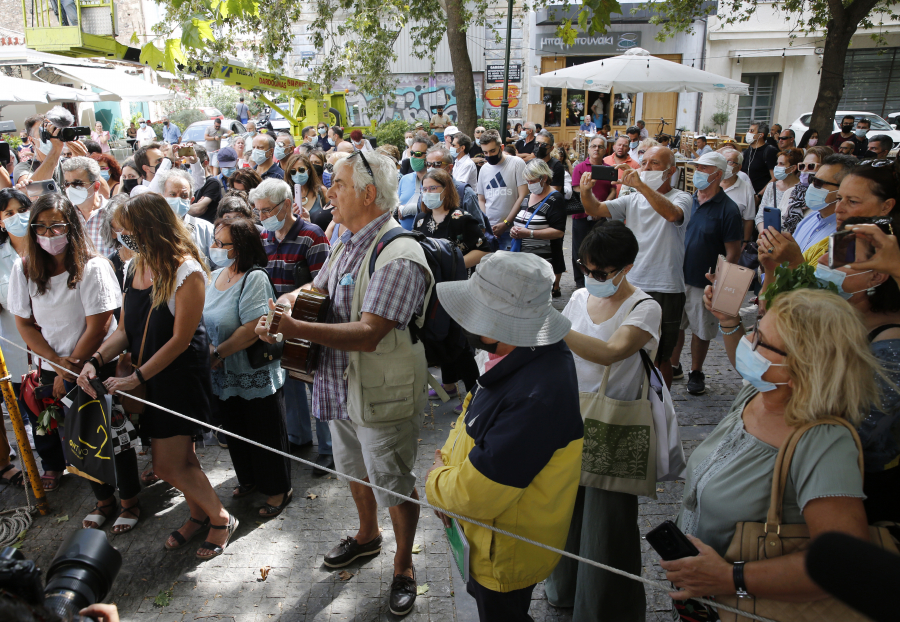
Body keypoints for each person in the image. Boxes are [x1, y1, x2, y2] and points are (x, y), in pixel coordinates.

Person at [255, 150, 432, 617]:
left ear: (368, 194)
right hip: (341, 385)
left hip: (382, 390)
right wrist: (283, 307)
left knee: (392, 481)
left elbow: (370, 334)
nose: (326, 191)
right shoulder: (346, 239)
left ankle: (403, 565)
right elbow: (317, 289)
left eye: (338, 184)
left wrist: (296, 331)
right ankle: (368, 536)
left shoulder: (400, 255)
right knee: (353, 470)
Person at [664, 288, 878, 619]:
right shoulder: (758, 393)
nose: (749, 342)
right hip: (702, 600)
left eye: (760, 341)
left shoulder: (823, 443)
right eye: (755, 329)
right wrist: (730, 323)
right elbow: (746, 362)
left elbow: (843, 565)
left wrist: (727, 577)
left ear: (804, 367)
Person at [77, 192, 237, 559]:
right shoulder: (133, 266)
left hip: (178, 377)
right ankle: (198, 515)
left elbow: (182, 339)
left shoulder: (187, 270)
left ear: (151, 227)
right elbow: (123, 329)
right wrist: (95, 358)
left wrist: (137, 377)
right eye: (119, 231)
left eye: (128, 231)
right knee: (182, 460)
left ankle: (221, 517)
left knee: (166, 465)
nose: (122, 238)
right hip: (147, 377)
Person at [425, 251, 583, 622]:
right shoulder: (524, 354)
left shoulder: (536, 396)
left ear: (501, 323)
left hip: (505, 549)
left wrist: (436, 481)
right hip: (492, 536)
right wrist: (449, 462)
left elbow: (475, 495)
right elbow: (474, 406)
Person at [545, 221, 661, 620]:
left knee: (606, 526)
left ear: (625, 267)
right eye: (586, 268)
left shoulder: (645, 307)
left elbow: (612, 351)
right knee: (565, 512)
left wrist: (553, 325)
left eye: (600, 273)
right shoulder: (578, 296)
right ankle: (562, 590)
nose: (591, 278)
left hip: (616, 424)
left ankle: (604, 608)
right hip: (569, 417)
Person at [10, 193, 120, 492]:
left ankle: (124, 499)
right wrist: (57, 366)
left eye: (56, 226)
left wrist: (68, 371)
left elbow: (99, 326)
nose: (49, 234)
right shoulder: (24, 268)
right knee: (65, 434)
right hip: (55, 365)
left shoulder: (93, 267)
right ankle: (99, 498)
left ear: (71, 226)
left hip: (93, 363)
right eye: (41, 227)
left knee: (102, 435)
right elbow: (25, 324)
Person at [580, 145, 692, 387]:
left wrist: (640, 185)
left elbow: (672, 215)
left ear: (671, 170)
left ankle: (660, 411)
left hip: (666, 287)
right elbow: (594, 209)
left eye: (654, 164)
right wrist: (586, 191)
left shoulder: (682, 197)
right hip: (631, 283)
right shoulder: (632, 199)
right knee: (625, 347)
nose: (647, 168)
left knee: (662, 355)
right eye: (644, 163)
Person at [203, 216, 292, 516]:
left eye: (221, 243)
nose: (214, 247)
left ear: (240, 247)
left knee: (264, 432)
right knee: (236, 430)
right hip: (224, 375)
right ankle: (249, 480)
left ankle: (279, 489)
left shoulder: (255, 278)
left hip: (252, 371)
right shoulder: (215, 276)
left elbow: (252, 327)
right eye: (215, 240)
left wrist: (218, 354)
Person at [814, 218, 900, 522]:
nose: (824, 262)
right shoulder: (837, 315)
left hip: (864, 483)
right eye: (831, 252)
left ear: (876, 275)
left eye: (841, 258)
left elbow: (862, 428)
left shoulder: (890, 342)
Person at [251, 178, 333, 472]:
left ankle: (329, 448)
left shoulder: (313, 235)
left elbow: (322, 282)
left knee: (315, 383)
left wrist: (291, 299)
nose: (262, 217)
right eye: (258, 211)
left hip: (308, 321)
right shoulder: (264, 238)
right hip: (276, 321)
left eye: (267, 210)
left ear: (286, 205)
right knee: (290, 382)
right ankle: (299, 437)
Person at [412, 168, 490, 406]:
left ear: (446, 190)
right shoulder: (421, 219)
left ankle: (476, 395)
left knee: (460, 340)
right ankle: (448, 384)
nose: (428, 193)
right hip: (430, 290)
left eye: (433, 188)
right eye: (424, 189)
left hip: (457, 287)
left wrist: (451, 265)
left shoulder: (461, 219)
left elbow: (483, 249)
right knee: (437, 333)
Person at [670, 152, 742, 394]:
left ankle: (696, 371)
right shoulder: (687, 201)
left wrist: (722, 284)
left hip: (704, 280)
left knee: (701, 330)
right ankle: (673, 365)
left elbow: (734, 251)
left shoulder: (728, 209)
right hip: (677, 276)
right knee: (676, 326)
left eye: (703, 168)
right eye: (696, 167)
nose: (696, 172)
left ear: (717, 174)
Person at [757, 154, 859, 273]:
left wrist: (794, 261)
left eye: (819, 183)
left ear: (843, 189)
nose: (811, 186)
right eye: (812, 180)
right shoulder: (810, 217)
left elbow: (823, 288)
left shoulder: (845, 235)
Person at [0, 189, 31, 488]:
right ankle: (46, 468)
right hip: (18, 356)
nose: (17, 217)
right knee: (34, 417)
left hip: (60, 348)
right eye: (9, 213)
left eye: (22, 209)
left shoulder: (51, 246)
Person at [513, 159, 567, 297]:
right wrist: (515, 230)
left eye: (532, 181)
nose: (529, 185)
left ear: (544, 178)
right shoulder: (527, 197)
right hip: (523, 259)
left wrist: (530, 233)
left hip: (543, 262)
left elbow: (558, 232)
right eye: (527, 181)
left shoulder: (555, 199)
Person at [571, 137, 616, 288]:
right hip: (582, 215)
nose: (597, 149)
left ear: (605, 150)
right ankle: (580, 282)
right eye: (594, 146)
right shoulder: (580, 167)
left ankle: (598, 278)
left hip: (602, 216)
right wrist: (592, 207)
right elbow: (577, 190)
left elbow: (612, 190)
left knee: (600, 248)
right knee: (579, 249)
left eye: (600, 147)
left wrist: (601, 208)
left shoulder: (609, 169)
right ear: (589, 149)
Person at [477, 129, 528, 252]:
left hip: (511, 230)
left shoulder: (517, 163)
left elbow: (523, 196)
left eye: (492, 151)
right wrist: (486, 226)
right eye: (485, 152)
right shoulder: (484, 169)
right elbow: (481, 199)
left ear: (502, 147)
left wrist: (506, 223)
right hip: (490, 230)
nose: (489, 155)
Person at [157, 168, 216, 267]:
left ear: (191, 200)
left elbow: (217, 266)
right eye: (172, 194)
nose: (178, 199)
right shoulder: (153, 229)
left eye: (184, 195)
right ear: (162, 197)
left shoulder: (206, 229)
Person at [61, 156, 114, 257]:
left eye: (77, 183)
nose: (71, 188)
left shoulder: (113, 213)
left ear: (96, 186)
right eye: (67, 184)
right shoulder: (64, 215)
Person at [779, 145, 834, 234]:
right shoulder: (790, 193)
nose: (804, 170)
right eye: (802, 166)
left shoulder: (825, 197)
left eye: (811, 166)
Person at [755, 147, 803, 233]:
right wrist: (764, 234)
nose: (777, 167)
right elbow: (760, 216)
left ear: (793, 168)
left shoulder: (801, 190)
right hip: (768, 238)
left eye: (782, 164)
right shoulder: (771, 187)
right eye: (777, 163)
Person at [719, 148, 756, 245]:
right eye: (724, 161)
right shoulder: (712, 182)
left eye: (730, 162)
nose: (726, 165)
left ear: (739, 167)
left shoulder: (746, 188)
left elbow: (748, 219)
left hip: (732, 240)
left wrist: (746, 242)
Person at [285, 152, 329, 229]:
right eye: (293, 171)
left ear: (309, 171)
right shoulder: (285, 195)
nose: (297, 174)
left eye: (301, 170)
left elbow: (330, 218)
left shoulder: (321, 191)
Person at [183, 145, 223, 223]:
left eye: (194, 164)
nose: (191, 168)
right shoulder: (187, 182)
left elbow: (196, 210)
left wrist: (180, 209)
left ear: (205, 163)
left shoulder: (213, 183)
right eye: (188, 165)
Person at [397, 136, 431, 230]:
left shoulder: (436, 181)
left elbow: (434, 208)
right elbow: (397, 207)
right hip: (405, 237)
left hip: (427, 239)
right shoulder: (404, 179)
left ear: (428, 156)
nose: (413, 157)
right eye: (412, 153)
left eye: (418, 154)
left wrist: (407, 209)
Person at [741, 121, 778, 196]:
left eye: (752, 131)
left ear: (760, 135)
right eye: (748, 130)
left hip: (759, 195)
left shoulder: (770, 151)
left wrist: (759, 195)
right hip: (745, 194)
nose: (748, 133)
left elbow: (775, 177)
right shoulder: (747, 151)